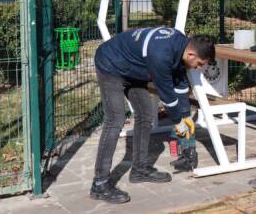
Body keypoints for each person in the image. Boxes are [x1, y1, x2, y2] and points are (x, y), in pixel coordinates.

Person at [90, 27, 215, 204]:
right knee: (115, 120)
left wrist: (187, 128)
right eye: (201, 64)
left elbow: (180, 87)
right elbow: (168, 99)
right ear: (192, 54)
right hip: (111, 64)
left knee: (145, 115)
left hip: (133, 66)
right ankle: (99, 184)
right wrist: (180, 126)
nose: (200, 68)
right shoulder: (162, 55)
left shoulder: (180, 47)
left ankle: (139, 170)